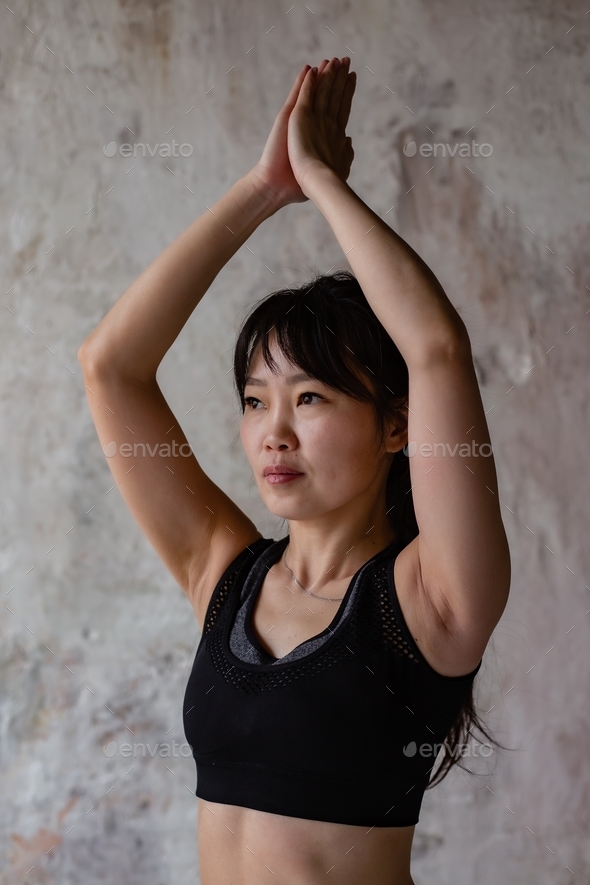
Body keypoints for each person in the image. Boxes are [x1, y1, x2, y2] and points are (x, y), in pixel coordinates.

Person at [79, 57, 511, 885]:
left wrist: (321, 180)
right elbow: (111, 366)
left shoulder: (432, 598)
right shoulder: (227, 576)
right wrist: (265, 189)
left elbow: (436, 348)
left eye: (309, 398)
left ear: (396, 425)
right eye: (253, 401)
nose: (272, 431)